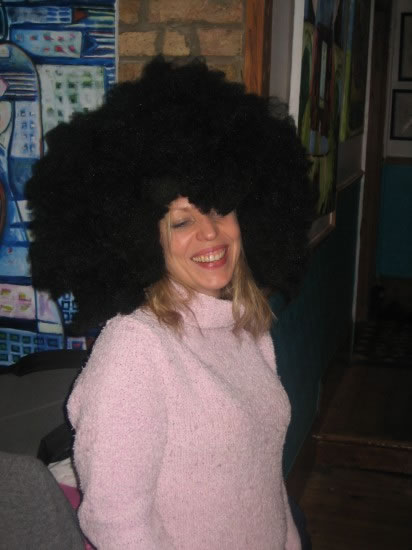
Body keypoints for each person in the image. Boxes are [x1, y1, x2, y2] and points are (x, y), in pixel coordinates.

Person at [26, 56, 314, 549]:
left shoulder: (247, 329)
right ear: (146, 238)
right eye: (182, 220)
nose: (210, 232)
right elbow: (116, 523)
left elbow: (265, 482)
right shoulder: (136, 349)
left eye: (220, 209)